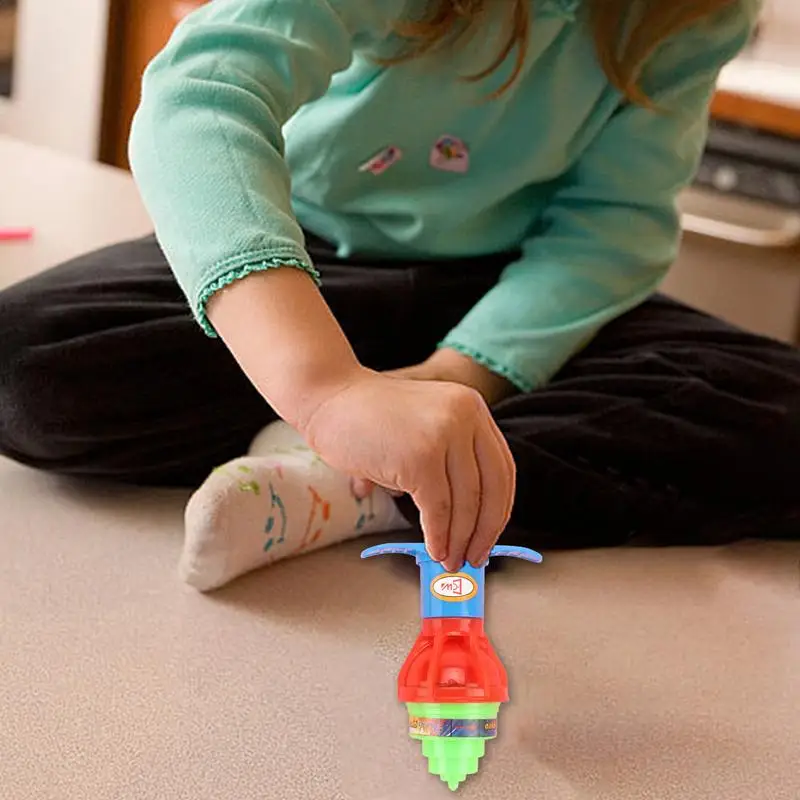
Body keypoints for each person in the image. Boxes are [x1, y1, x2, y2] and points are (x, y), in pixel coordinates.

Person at [1, 0, 797, 592]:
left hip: (504, 290)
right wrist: (324, 387)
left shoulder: (696, 11)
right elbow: (201, 98)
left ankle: (361, 490)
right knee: (24, 366)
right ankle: (388, 450)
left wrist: (463, 373)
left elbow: (610, 228)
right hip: (308, 261)